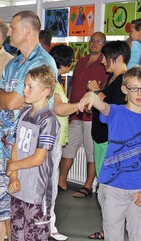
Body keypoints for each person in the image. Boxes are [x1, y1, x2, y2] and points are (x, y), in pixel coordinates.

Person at [0, 11, 58, 241]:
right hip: (4, 144)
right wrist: (3, 96)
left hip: (27, 152)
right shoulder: (14, 63)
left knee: (27, 214)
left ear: (28, 31)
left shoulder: (42, 63)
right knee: (3, 204)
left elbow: (11, 101)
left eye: (13, 28)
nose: (9, 32)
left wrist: (2, 95)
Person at [79, 67, 141, 241]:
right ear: (125, 89)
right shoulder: (116, 112)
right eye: (134, 88)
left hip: (138, 190)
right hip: (111, 189)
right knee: (113, 235)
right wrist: (91, 96)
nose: (139, 93)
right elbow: (102, 106)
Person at [6, 65, 60, 241]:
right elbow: (15, 147)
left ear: (45, 91)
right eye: (25, 85)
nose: (24, 90)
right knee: (17, 234)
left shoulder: (49, 120)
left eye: (30, 86)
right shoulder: (24, 113)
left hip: (37, 193)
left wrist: (12, 166)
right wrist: (13, 177)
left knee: (34, 236)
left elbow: (38, 158)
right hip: (19, 187)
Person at [85, 41, 131, 240]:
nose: (102, 61)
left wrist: (96, 92)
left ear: (118, 58)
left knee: (109, 190)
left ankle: (113, 231)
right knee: (104, 190)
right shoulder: (113, 78)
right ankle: (109, 229)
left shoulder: (124, 81)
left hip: (110, 142)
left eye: (105, 57)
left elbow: (113, 111)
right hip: (101, 139)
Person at [59, 32, 108, 195]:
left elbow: (104, 92)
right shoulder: (81, 61)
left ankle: (87, 185)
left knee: (90, 151)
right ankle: (61, 180)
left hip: (92, 116)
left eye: (98, 41)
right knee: (68, 148)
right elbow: (72, 85)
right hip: (74, 113)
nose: (94, 43)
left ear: (104, 44)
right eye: (92, 40)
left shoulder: (104, 64)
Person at [49, 44, 79, 241]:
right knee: (49, 185)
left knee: (49, 184)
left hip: (53, 139)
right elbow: (59, 109)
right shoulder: (53, 81)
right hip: (51, 141)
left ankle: (47, 223)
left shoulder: (53, 79)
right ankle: (49, 226)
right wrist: (80, 104)